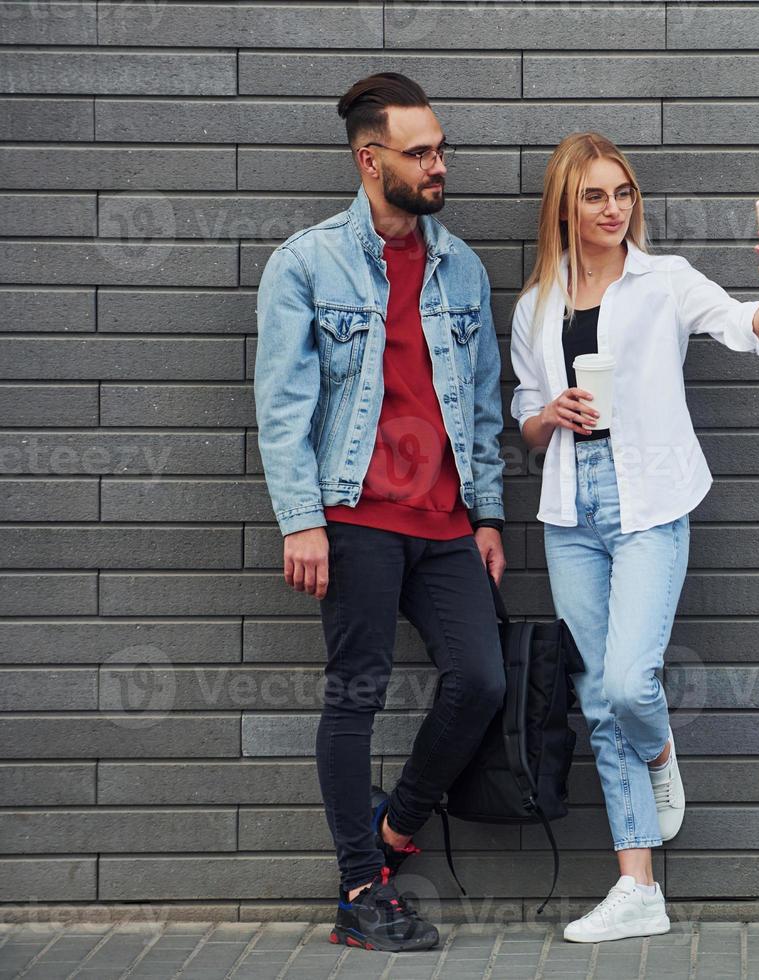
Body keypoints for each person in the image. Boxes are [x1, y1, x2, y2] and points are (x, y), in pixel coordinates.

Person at [509, 132, 759, 943]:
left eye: (623, 193)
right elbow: (526, 415)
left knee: (629, 686)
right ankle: (637, 889)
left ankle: (661, 750)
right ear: (564, 208)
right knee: (594, 698)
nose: (613, 210)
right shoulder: (536, 303)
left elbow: (746, 328)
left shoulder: (663, 280)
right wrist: (549, 416)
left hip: (649, 503)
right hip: (572, 511)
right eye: (595, 196)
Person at [253, 72, 508, 953]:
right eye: (420, 152)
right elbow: (283, 405)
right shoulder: (305, 263)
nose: (440, 165)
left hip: (444, 525)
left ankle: (393, 831)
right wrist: (300, 519)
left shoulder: (461, 267)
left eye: (441, 148)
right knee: (354, 695)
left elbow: (480, 407)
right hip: (354, 513)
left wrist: (488, 518)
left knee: (482, 680)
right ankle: (361, 891)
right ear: (371, 160)